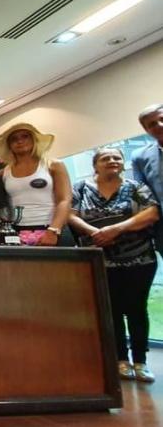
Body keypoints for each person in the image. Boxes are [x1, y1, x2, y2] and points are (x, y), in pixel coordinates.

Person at [69, 147, 159, 383]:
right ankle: (120, 359)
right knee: (112, 310)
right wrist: (96, 232)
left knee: (137, 309)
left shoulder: (135, 187)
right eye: (105, 158)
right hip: (99, 258)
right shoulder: (80, 188)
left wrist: (117, 229)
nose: (112, 161)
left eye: (116, 158)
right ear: (95, 165)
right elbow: (71, 214)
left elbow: (151, 213)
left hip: (139, 258)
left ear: (123, 163)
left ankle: (140, 361)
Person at [0, 123, 72, 246]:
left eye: (25, 136)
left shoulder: (53, 165)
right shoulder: (3, 173)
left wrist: (53, 230)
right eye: (14, 139)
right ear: (9, 145)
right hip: (17, 232)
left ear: (34, 139)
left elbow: (64, 200)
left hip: (52, 229)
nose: (20, 141)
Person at [131, 103, 163, 254]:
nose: (159, 125)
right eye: (152, 124)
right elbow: (142, 196)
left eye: (162, 119)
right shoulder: (140, 157)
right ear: (146, 130)